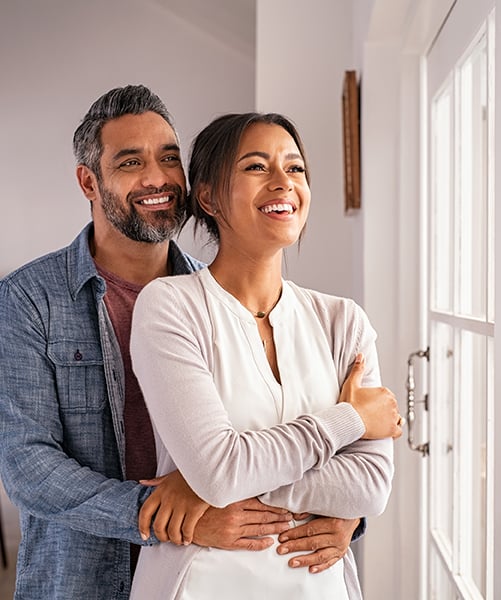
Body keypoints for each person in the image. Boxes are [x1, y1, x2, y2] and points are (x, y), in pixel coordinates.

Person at [0, 86, 363, 599]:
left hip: (210, 574)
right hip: (80, 578)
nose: (158, 179)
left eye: (169, 158)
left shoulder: (221, 299)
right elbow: (26, 465)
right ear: (89, 181)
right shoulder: (28, 299)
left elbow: (291, 440)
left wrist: (347, 513)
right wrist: (166, 514)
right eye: (130, 162)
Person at [128, 112, 402, 599]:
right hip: (201, 584)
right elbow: (219, 469)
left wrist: (210, 484)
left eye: (295, 169)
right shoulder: (170, 306)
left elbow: (371, 486)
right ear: (209, 197)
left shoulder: (345, 321)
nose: (284, 183)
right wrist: (348, 421)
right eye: (257, 167)